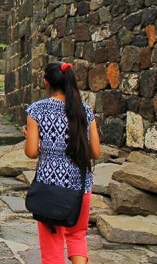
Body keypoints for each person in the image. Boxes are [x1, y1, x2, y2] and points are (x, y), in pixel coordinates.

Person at [24, 61, 101, 264]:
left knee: (52, 242)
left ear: (45, 82)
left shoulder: (37, 110)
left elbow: (31, 152)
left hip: (50, 188)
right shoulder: (84, 110)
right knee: (77, 235)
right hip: (80, 187)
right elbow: (96, 152)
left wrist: (35, 139)